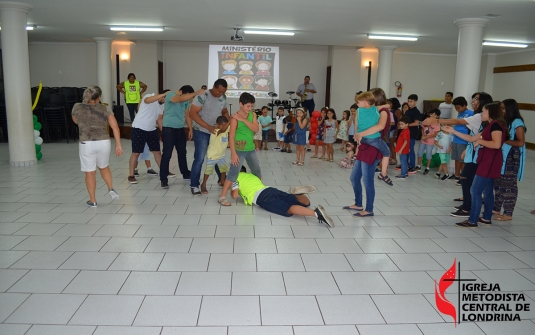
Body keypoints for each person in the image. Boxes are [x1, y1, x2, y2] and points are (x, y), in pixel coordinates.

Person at [443, 102, 507, 228]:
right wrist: (453, 131)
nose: (481, 114)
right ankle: (486, 218)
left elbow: (496, 144)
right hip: (487, 161)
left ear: (490, 112)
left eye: (483, 111)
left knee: (475, 190)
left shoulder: (496, 126)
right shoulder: (489, 125)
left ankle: (472, 220)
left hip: (489, 162)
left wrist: (481, 141)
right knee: (487, 190)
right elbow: (472, 138)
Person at [441, 92, 493, 217]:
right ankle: (468, 206)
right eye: (473, 99)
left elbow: (458, 122)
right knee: (468, 180)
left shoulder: (482, 118)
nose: (473, 101)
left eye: (476, 99)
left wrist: (437, 120)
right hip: (473, 150)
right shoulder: (479, 116)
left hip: (480, 154)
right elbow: (472, 137)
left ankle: (468, 209)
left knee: (469, 180)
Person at [71, 86, 123, 207]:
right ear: (99, 97)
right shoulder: (105, 108)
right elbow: (115, 127)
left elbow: (75, 121)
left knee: (90, 172)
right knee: (104, 166)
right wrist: (118, 145)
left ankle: (92, 200)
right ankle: (110, 188)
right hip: (103, 142)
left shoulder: (77, 107)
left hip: (86, 143)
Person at [231, 166, 334, 227]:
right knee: (303, 202)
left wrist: (232, 188)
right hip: (270, 189)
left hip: (261, 197)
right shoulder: (251, 175)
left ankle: (316, 213)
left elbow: (235, 195)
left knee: (287, 209)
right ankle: (298, 194)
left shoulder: (235, 178)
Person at [218, 92, 261, 206]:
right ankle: (222, 196)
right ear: (241, 104)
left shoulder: (252, 115)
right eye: (248, 106)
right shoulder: (234, 118)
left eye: (251, 106)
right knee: (233, 173)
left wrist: (244, 119)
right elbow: (231, 136)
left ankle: (258, 192)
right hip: (239, 150)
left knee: (257, 171)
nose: (250, 108)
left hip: (250, 148)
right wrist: (233, 153)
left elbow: (255, 129)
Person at [189, 79, 230, 195]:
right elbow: (192, 114)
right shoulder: (203, 95)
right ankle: (194, 185)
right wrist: (208, 127)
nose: (220, 94)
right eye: (219, 91)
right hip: (201, 130)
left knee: (218, 156)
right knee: (200, 158)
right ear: (214, 87)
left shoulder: (223, 98)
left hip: (216, 132)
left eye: (223, 92)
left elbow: (225, 112)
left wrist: (226, 125)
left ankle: (221, 180)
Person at [159, 85, 204, 189]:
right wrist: (195, 93)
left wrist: (190, 129)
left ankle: (185, 173)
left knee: (182, 153)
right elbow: (179, 99)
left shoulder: (186, 100)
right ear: (182, 92)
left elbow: (187, 115)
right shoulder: (171, 94)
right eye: (188, 95)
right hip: (169, 129)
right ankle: (163, 179)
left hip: (180, 129)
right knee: (167, 154)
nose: (189, 98)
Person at [492, 99, 526, 221]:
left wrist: (503, 140)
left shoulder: (517, 122)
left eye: (503, 108)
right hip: (501, 154)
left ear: (510, 109)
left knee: (508, 185)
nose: (501, 111)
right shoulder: (503, 121)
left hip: (511, 156)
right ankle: (496, 208)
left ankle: (508, 213)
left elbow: (520, 142)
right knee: (498, 183)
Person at [127, 91, 170, 184]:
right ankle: (131, 175)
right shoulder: (149, 96)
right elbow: (147, 101)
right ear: (161, 95)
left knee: (157, 152)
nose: (165, 100)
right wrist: (164, 94)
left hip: (151, 129)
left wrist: (164, 132)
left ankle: (164, 171)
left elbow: (159, 119)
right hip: (139, 128)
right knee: (136, 153)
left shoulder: (162, 105)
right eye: (164, 98)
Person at [353, 90, 392, 186]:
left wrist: (358, 135)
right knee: (387, 152)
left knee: (363, 178)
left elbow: (356, 125)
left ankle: (355, 154)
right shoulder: (375, 109)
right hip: (373, 139)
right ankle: (383, 173)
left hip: (363, 138)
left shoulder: (358, 111)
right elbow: (387, 106)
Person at [439, 97, 473, 181]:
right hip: (456, 139)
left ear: (464, 105)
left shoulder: (471, 113)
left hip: (463, 140)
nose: (457, 110)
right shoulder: (460, 114)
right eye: (456, 108)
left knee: (463, 159)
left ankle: (463, 177)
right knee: (457, 158)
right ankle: (457, 175)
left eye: (458, 108)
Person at [345, 144, 383, 217]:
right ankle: (358, 204)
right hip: (363, 149)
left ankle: (369, 209)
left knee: (368, 181)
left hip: (371, 151)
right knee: (354, 177)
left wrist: (360, 135)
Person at [200, 116, 230, 194]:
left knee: (224, 170)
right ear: (217, 125)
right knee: (208, 171)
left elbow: (229, 128)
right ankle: (203, 184)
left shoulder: (226, 129)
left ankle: (222, 181)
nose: (224, 127)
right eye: (222, 125)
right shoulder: (215, 131)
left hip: (221, 155)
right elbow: (223, 130)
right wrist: (230, 121)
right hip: (212, 156)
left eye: (225, 125)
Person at [416, 108, 440, 175]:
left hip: (430, 141)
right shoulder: (426, 120)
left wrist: (426, 137)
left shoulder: (437, 124)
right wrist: (423, 136)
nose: (432, 116)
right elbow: (422, 128)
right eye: (432, 114)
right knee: (420, 152)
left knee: (428, 154)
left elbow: (435, 134)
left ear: (437, 116)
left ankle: (427, 168)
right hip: (423, 140)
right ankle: (418, 166)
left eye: (435, 115)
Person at [404, 94, 422, 174]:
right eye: (408, 101)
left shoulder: (416, 112)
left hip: (412, 133)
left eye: (411, 101)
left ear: (415, 102)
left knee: (410, 149)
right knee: (406, 149)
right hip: (406, 133)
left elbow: (416, 123)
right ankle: (406, 165)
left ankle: (412, 166)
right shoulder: (407, 111)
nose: (409, 103)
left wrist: (407, 125)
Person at [388, 98, 402, 165]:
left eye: (390, 103)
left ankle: (394, 158)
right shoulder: (391, 111)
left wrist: (396, 131)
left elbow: (399, 122)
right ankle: (391, 157)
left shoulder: (397, 111)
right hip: (390, 129)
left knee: (392, 145)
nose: (389, 104)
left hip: (394, 130)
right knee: (389, 145)